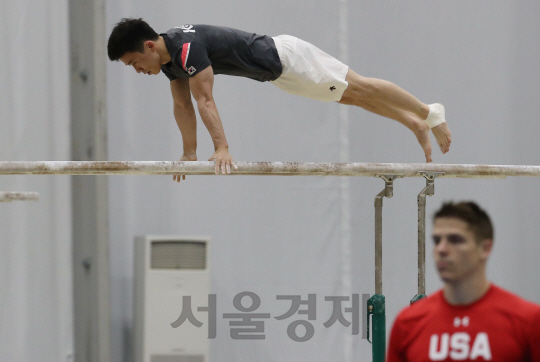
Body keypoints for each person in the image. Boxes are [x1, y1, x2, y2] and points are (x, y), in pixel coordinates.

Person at [107, 18, 452, 181]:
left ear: (148, 46)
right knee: (355, 98)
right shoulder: (171, 62)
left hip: (287, 58)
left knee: (363, 87)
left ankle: (428, 111)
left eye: (134, 63)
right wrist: (189, 152)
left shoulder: (187, 49)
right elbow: (182, 106)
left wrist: (222, 146)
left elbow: (204, 101)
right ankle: (413, 121)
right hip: (280, 75)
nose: (137, 71)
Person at [387, 201, 540, 362]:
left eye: (455, 240)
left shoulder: (527, 321)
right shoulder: (408, 323)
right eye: (437, 240)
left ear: (485, 249)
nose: (441, 249)